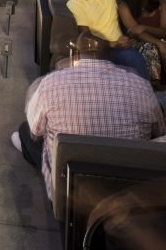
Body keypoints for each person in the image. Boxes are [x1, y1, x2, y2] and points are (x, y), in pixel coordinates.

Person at [10, 32, 165, 201]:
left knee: (26, 131)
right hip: (127, 193)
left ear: (76, 54)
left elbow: (36, 131)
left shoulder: (51, 83)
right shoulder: (142, 86)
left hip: (70, 192)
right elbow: (158, 131)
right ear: (110, 56)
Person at [66, 0, 149, 79]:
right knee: (134, 58)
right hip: (97, 51)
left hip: (122, 46)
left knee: (138, 57)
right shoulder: (76, 3)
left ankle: (145, 89)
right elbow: (85, 36)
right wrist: (113, 44)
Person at [119, 0, 166, 82]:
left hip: (161, 40)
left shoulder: (162, 4)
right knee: (150, 48)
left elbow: (164, 31)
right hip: (136, 43)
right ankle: (153, 86)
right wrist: (159, 43)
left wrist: (145, 27)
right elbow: (136, 33)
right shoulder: (125, 6)